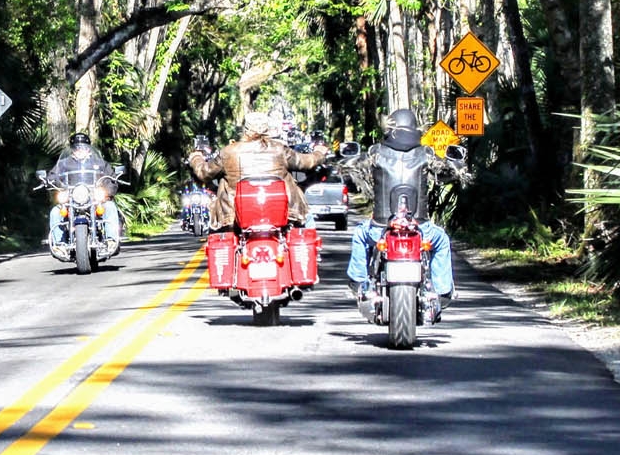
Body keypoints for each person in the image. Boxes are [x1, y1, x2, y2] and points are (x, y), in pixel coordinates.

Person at [345, 108, 465, 318]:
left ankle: (359, 282)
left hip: (381, 229)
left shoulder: (375, 152)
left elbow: (355, 169)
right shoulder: (426, 153)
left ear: (390, 126)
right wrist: (456, 166)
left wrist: (348, 163)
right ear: (414, 126)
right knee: (442, 240)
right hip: (420, 228)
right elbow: (446, 172)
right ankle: (443, 290)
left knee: (360, 234)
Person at [188, 111, 327, 229]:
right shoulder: (280, 149)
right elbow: (306, 162)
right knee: (307, 221)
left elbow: (204, 172)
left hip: (234, 216)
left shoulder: (229, 152)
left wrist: (196, 157)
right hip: (285, 213)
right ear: (267, 129)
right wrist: (319, 153)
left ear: (246, 130)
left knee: (218, 238)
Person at [46, 131, 123, 252]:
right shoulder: (63, 164)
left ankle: (111, 240)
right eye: (77, 147)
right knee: (55, 212)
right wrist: (49, 182)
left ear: (89, 149)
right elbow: (52, 177)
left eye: (83, 147)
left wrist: (106, 192)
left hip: (95, 199)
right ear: (72, 149)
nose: (80, 150)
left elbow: (111, 178)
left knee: (110, 206)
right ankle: (59, 244)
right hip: (71, 199)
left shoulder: (100, 163)